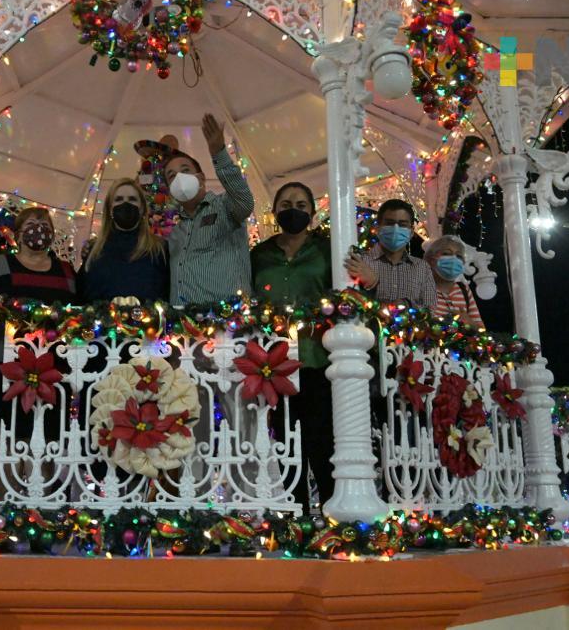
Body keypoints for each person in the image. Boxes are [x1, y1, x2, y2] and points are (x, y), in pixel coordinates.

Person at [250, 182, 334, 513]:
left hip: (318, 356)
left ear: (312, 213)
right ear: (275, 212)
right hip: (274, 361)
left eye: (301, 204)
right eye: (286, 204)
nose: (293, 209)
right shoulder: (260, 255)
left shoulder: (327, 250)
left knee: (321, 438)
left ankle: (331, 511)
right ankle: (294, 512)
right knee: (286, 439)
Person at [0, 207, 77, 446]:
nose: (38, 230)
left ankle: (45, 484)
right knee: (7, 439)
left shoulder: (67, 272)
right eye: (31, 224)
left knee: (50, 439)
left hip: (55, 370)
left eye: (45, 225)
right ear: (17, 234)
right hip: (3, 369)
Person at [162, 114, 254, 305]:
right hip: (184, 326)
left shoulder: (224, 207)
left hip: (228, 323)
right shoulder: (174, 231)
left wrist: (219, 152)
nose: (179, 178)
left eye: (185, 170)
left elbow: (245, 201)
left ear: (201, 178)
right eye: (171, 176)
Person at [79, 178, 168, 303]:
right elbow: (83, 294)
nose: (125, 204)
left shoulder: (160, 249)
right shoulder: (94, 250)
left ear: (142, 208)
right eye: (118, 199)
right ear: (110, 209)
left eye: (132, 199)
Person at [345, 199, 436, 308]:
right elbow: (347, 304)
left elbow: (431, 311)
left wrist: (407, 307)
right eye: (389, 223)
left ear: (411, 232)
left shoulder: (422, 267)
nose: (396, 229)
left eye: (402, 224)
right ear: (377, 228)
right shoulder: (361, 262)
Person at [426, 235, 485, 329]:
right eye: (446, 253)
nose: (453, 259)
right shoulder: (420, 288)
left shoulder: (464, 290)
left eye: (459, 256)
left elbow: (481, 330)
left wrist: (468, 322)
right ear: (431, 260)